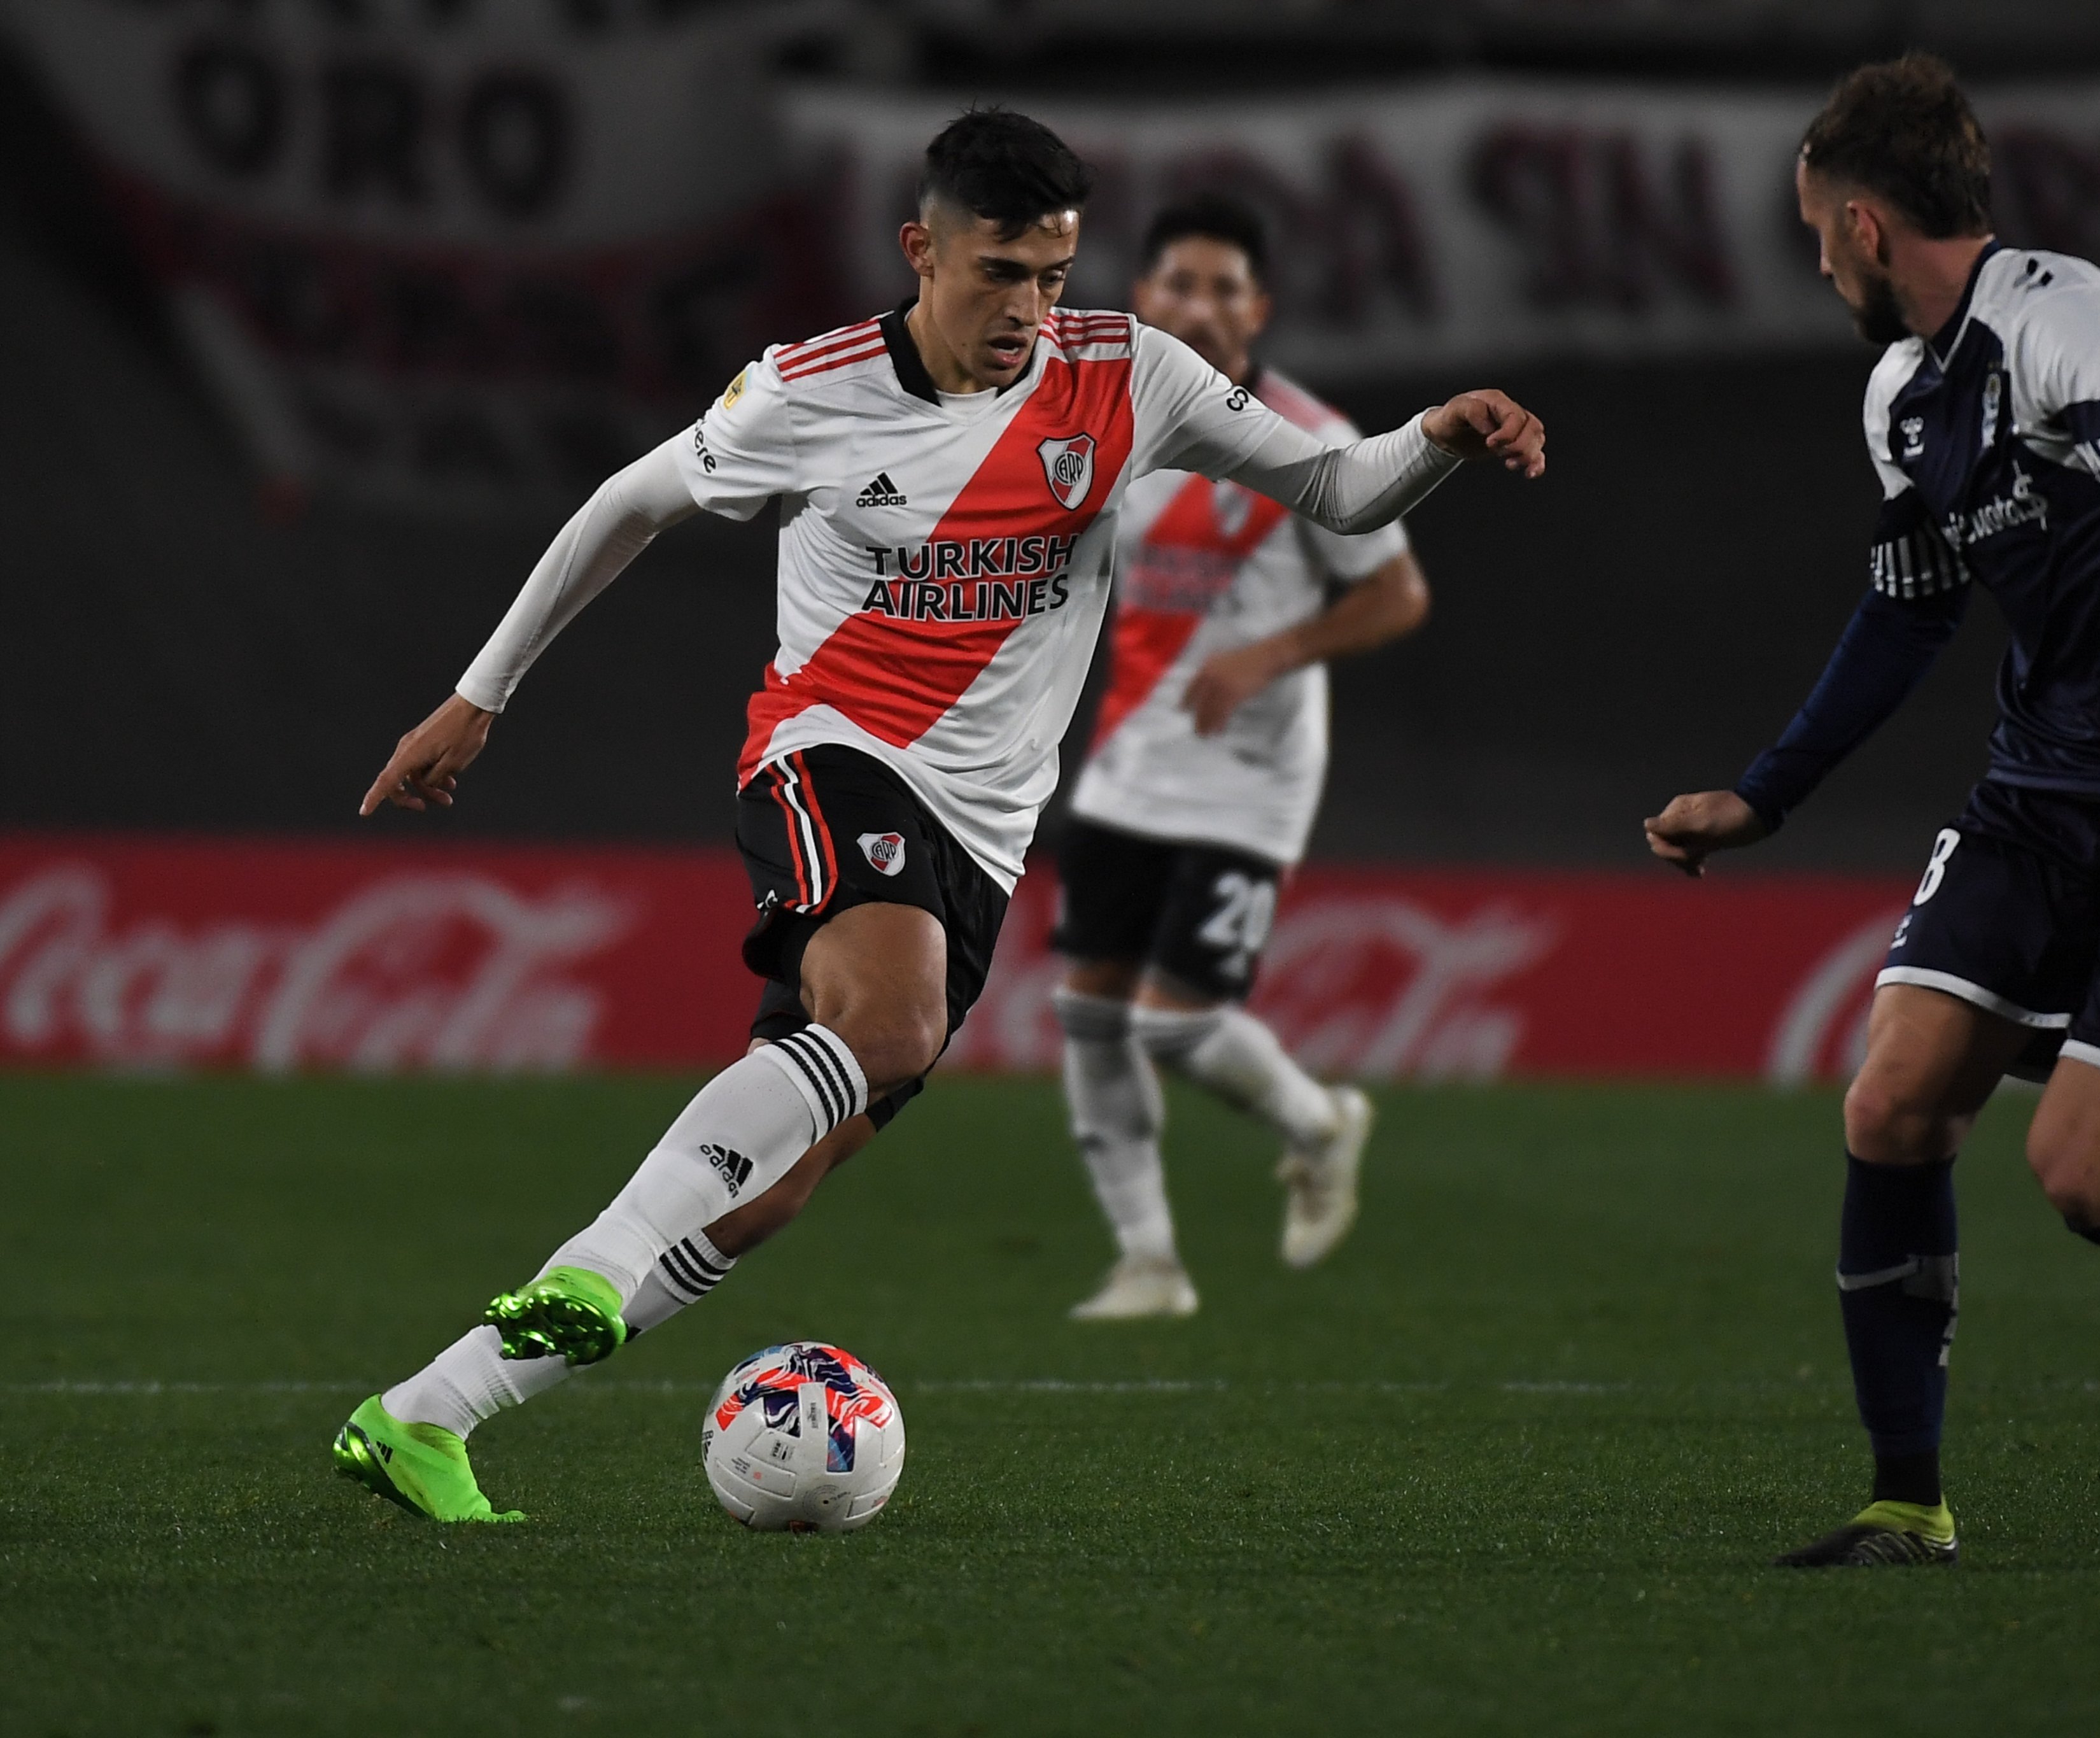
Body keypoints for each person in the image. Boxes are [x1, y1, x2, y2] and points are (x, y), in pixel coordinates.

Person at [333, 109, 1546, 1524]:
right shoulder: (808, 390)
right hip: (829, 755)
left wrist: (1439, 438)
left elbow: (1336, 492)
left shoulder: (1128, 375)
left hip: (983, 835)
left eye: (1051, 273)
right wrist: (481, 695)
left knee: (770, 1191)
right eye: (996, 274)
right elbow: (630, 501)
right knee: (891, 1024)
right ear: (920, 251)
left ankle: (427, 1414)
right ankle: (595, 1268)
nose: (1028, 308)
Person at [1644, 55, 2100, 1567]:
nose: (1816, 255)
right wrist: (1765, 796)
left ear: (1864, 226)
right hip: (2044, 785)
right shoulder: (1904, 397)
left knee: (2083, 1174)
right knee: (1891, 1103)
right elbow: (1905, 615)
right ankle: (1907, 1503)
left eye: (1817, 228)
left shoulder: (2064, 317)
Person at [1051, 195, 1430, 1321]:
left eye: (1226, 288)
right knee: (1088, 1013)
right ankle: (1149, 1262)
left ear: (1258, 309)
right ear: (1145, 297)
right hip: (1127, 759)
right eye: (1180, 283)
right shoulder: (1111, 421)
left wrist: (1273, 651)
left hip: (1250, 776)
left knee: (1174, 1022)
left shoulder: (1307, 437)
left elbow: (1398, 595)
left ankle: (1320, 1123)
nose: (1200, 307)